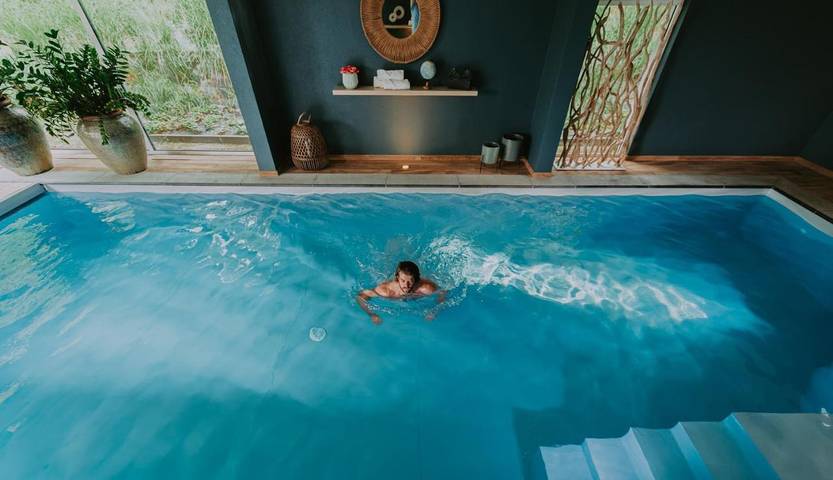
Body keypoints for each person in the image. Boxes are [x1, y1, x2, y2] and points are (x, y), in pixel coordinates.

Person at [357, 261, 443, 325]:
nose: (406, 285)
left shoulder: (426, 288)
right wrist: (372, 314)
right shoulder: (386, 291)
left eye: (410, 281)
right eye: (403, 280)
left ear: (416, 279)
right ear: (398, 278)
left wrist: (434, 311)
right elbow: (361, 296)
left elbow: (442, 292)